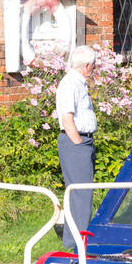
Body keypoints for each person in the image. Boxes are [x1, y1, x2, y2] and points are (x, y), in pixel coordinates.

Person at [55, 45, 98, 250]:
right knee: (81, 194)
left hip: (82, 141)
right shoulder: (70, 83)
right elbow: (67, 118)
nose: (95, 69)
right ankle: (78, 244)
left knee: (81, 194)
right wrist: (79, 144)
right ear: (87, 65)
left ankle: (79, 241)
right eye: (94, 65)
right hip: (76, 142)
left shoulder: (78, 83)